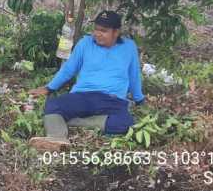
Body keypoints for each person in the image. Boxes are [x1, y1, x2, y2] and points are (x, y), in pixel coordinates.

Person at [28, 11, 145, 150]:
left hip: (113, 100)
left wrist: (139, 99)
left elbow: (134, 75)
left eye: (104, 31)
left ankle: (73, 122)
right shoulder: (85, 43)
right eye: (96, 29)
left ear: (116, 32)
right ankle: (56, 137)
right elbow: (68, 69)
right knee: (53, 105)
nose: (97, 33)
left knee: (126, 123)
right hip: (83, 96)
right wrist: (49, 88)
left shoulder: (128, 47)